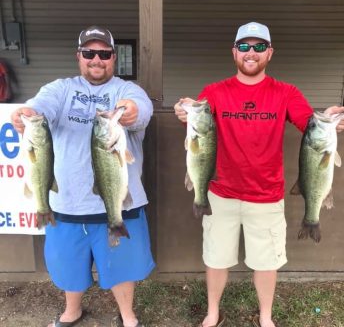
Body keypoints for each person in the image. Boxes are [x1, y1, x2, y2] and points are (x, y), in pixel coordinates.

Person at [174, 21, 344, 327]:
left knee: (266, 262)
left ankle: (265, 317)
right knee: (216, 257)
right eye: (244, 47)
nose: (251, 53)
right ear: (234, 53)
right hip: (220, 193)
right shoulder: (214, 91)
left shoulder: (286, 92)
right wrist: (184, 108)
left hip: (266, 196)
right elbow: (195, 113)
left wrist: (330, 120)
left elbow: (309, 123)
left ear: (269, 53)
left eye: (259, 47)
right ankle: (213, 312)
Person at [11, 26, 155, 327]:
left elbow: (140, 109)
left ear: (113, 58)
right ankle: (71, 311)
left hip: (119, 204)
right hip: (67, 203)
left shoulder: (125, 89)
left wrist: (130, 112)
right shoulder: (61, 89)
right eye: (89, 53)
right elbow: (42, 107)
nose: (96, 59)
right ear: (79, 57)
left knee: (123, 265)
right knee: (68, 265)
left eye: (103, 53)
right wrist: (27, 113)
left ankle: (128, 316)